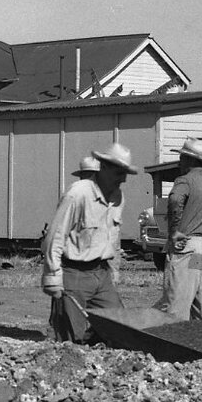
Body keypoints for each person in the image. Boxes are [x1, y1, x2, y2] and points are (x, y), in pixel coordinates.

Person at [41, 143, 139, 343]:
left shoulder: (118, 197)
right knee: (71, 336)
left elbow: (113, 237)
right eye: (119, 172)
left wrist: (115, 270)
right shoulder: (78, 193)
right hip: (74, 272)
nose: (124, 179)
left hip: (101, 273)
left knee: (118, 325)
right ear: (103, 168)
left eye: (125, 173)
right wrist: (53, 275)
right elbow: (56, 235)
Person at [160, 137, 202, 323]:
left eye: (183, 157)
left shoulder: (185, 180)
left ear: (191, 160)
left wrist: (174, 231)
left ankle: (172, 346)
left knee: (177, 302)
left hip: (188, 246)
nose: (180, 162)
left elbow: (175, 200)